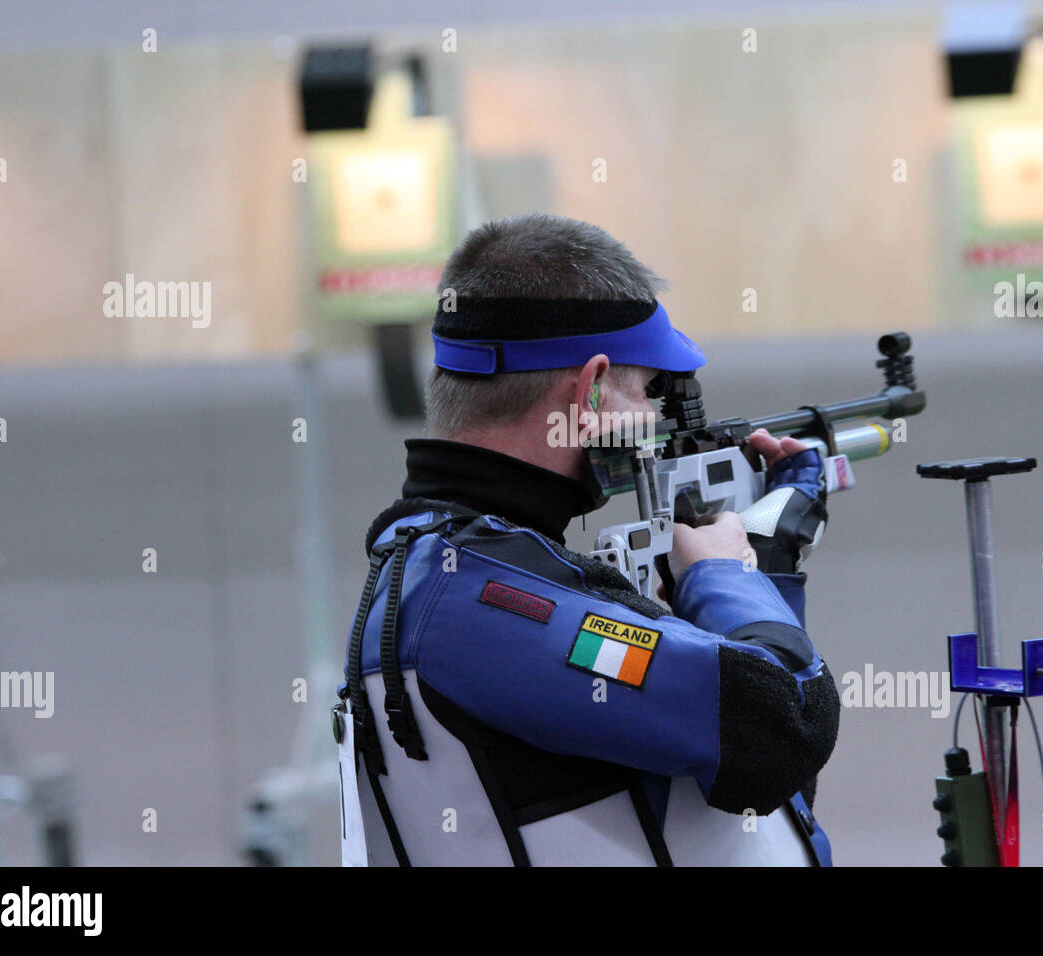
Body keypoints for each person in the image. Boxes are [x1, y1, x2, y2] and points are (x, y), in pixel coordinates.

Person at [335, 213, 839, 866]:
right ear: (592, 389)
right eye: (648, 391)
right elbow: (785, 723)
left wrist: (761, 569)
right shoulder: (487, 603)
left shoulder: (442, 574)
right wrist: (729, 578)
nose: (653, 420)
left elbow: (761, 790)